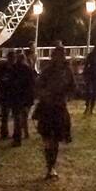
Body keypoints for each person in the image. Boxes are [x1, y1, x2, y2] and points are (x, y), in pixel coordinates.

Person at [34, 45, 75, 179]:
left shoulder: (67, 71)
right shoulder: (47, 71)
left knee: (56, 138)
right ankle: (49, 165)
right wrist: (45, 94)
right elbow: (38, 86)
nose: (59, 57)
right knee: (47, 138)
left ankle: (52, 166)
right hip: (47, 106)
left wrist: (67, 94)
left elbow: (73, 87)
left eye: (61, 54)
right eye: (57, 54)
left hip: (59, 107)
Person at [10, 49, 35, 144]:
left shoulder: (14, 68)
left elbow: (11, 82)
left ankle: (18, 136)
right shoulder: (28, 69)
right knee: (24, 115)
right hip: (25, 96)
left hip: (16, 96)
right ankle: (25, 133)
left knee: (17, 117)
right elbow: (32, 83)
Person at [0, 50, 15, 139]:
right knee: (5, 114)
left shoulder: (14, 67)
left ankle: (5, 132)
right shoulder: (4, 67)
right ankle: (4, 132)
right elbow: (0, 78)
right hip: (5, 93)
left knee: (9, 114)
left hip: (10, 93)